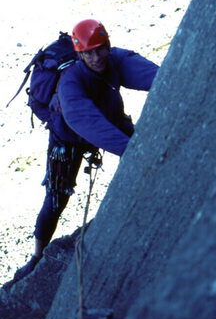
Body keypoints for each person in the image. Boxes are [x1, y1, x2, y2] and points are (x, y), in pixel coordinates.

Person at [15, 19, 159, 281]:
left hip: (107, 117)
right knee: (56, 200)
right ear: (79, 54)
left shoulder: (114, 60)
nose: (97, 57)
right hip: (67, 139)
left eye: (101, 49)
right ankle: (37, 256)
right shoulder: (70, 83)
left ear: (108, 45)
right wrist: (135, 151)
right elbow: (86, 123)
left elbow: (156, 76)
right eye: (89, 52)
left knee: (145, 149)